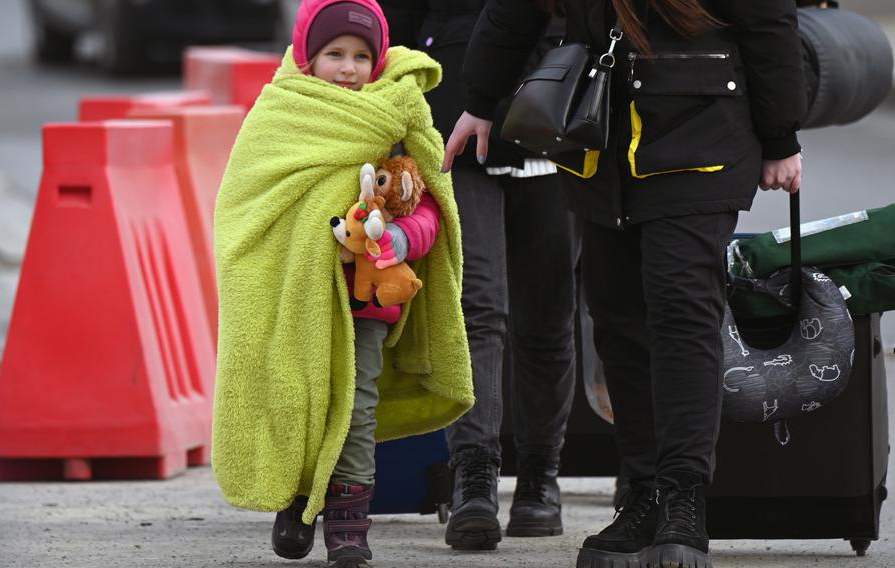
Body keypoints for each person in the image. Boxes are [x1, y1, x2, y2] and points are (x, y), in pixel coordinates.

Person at [442, 0, 806, 567]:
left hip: (702, 134)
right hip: (603, 139)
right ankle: (641, 494)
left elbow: (769, 23)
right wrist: (481, 103)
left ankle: (683, 500)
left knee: (681, 314)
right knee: (616, 320)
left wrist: (781, 135)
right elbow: (514, 9)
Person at [210, 1, 474, 567]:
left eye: (361, 56)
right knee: (297, 399)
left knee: (356, 410)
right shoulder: (281, 114)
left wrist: (403, 240)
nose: (349, 68)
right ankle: (299, 496)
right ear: (308, 58)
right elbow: (247, 208)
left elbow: (429, 208)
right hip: (292, 301)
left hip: (366, 302)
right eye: (335, 55)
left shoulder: (397, 117)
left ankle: (349, 523)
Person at [380, 0, 583, 549]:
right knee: (477, 306)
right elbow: (393, 31)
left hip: (554, 114)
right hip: (453, 125)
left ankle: (541, 479)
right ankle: (475, 476)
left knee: (547, 314)